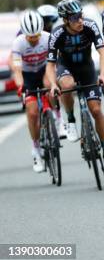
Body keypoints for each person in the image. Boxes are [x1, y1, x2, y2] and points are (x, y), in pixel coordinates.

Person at [46, 0, 104, 175]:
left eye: (80, 16)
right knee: (67, 84)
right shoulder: (57, 34)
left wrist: (102, 74)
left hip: (87, 69)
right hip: (66, 68)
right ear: (65, 20)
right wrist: (53, 84)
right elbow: (50, 65)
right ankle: (70, 119)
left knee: (96, 110)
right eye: (74, 18)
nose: (79, 21)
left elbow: (102, 53)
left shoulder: (90, 26)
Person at [11, 11, 56, 172]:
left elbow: (55, 62)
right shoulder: (18, 43)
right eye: (30, 37)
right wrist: (21, 86)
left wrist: (53, 81)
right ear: (24, 34)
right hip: (27, 75)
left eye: (36, 35)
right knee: (32, 112)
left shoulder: (48, 38)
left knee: (49, 85)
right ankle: (36, 148)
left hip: (44, 70)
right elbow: (16, 69)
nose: (35, 39)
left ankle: (58, 117)